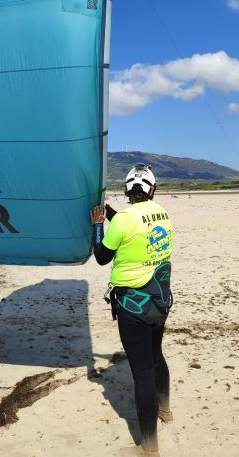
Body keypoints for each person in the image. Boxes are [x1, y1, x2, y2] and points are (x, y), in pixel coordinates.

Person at [90, 164, 173, 457]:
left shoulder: (124, 219)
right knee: (156, 355)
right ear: (152, 189)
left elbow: (101, 256)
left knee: (142, 373)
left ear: (127, 190)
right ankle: (165, 410)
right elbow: (134, 225)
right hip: (160, 300)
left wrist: (99, 224)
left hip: (132, 306)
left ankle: (149, 447)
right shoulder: (162, 213)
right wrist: (111, 213)